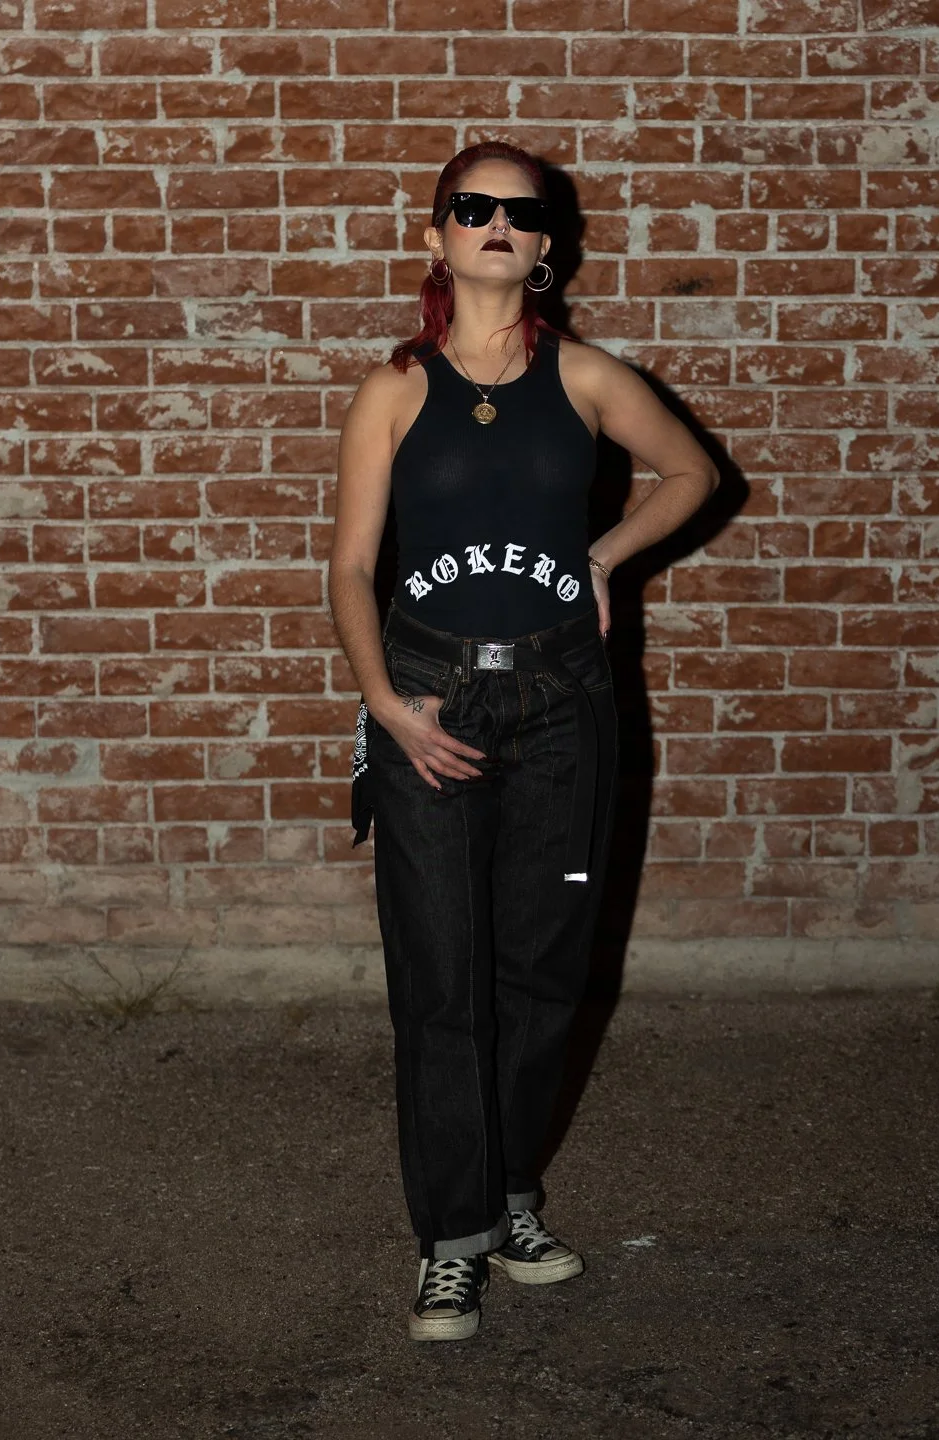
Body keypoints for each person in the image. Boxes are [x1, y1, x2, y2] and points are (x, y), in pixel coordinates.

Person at [328, 140, 719, 1342]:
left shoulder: (590, 378)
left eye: (521, 212)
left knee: (544, 975)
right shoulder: (395, 387)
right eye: (471, 207)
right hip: (431, 701)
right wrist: (388, 706)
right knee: (443, 983)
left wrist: (603, 555)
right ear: (438, 236)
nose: (497, 224)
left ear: (548, 246)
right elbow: (349, 568)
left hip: (562, 703)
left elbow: (692, 473)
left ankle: (507, 1202)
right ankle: (451, 1246)